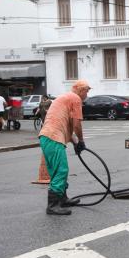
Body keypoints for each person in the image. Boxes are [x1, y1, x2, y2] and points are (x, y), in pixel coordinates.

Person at [39, 80, 91, 215]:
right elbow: (77, 124)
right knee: (61, 170)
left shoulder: (65, 97)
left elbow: (68, 126)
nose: (88, 93)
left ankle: (62, 199)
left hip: (47, 137)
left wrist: (75, 143)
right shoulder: (75, 99)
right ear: (80, 89)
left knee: (57, 171)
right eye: (87, 90)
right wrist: (81, 141)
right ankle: (52, 206)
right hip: (53, 138)